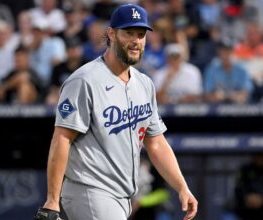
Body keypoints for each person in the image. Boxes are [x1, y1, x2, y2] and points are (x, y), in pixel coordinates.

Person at [34, 4, 198, 220]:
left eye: (140, 34)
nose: (136, 41)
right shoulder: (84, 80)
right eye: (128, 33)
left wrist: (182, 187)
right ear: (111, 34)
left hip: (123, 196)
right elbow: (62, 138)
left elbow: (156, 143)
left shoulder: (144, 84)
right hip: (89, 189)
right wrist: (52, 199)